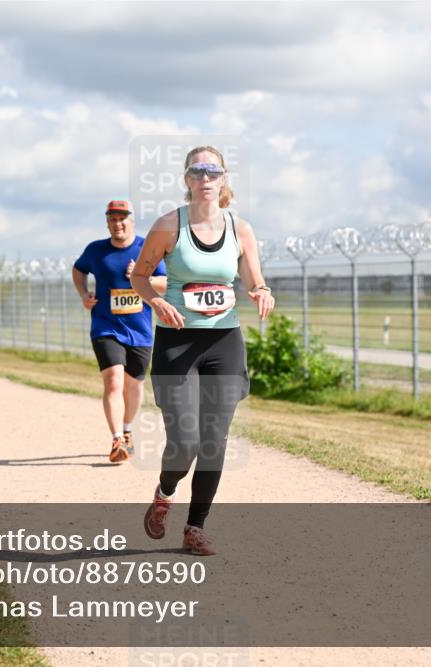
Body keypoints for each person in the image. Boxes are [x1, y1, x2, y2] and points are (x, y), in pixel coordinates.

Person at [130, 145, 275, 555]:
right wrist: (156, 302)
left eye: (212, 171)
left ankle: (195, 527)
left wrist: (262, 291)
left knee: (214, 441)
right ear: (187, 179)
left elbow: (253, 279)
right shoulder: (168, 226)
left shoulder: (240, 229)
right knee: (185, 442)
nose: (205, 178)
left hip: (224, 343)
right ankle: (164, 493)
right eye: (197, 171)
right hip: (177, 343)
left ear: (223, 178)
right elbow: (140, 277)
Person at [73, 200, 167, 463]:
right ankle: (116, 439)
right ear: (108, 223)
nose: (118, 224)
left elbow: (166, 282)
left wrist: (143, 278)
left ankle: (127, 430)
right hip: (105, 326)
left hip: (140, 329)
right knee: (114, 380)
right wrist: (83, 294)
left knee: (134, 385)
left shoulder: (146, 248)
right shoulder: (96, 250)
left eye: (122, 218)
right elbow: (78, 270)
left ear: (131, 220)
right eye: (113, 219)